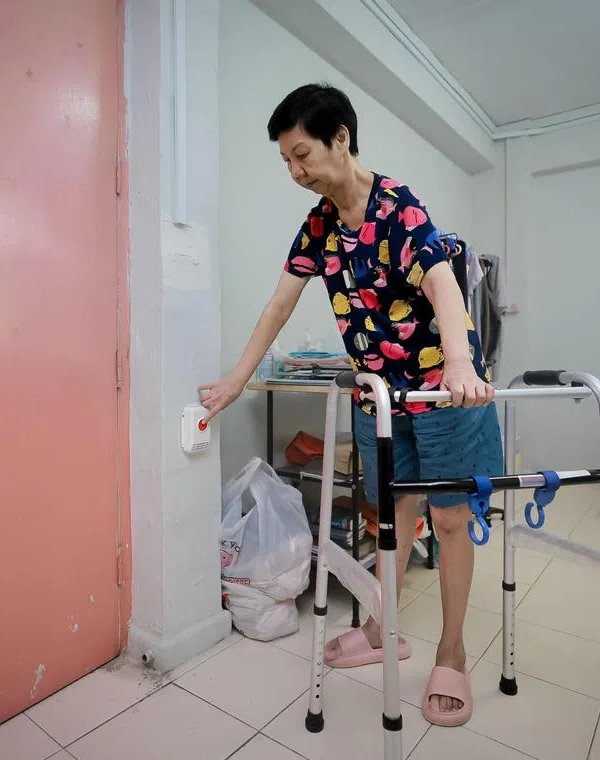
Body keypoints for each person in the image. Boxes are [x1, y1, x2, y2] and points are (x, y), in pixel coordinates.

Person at [199, 83, 503, 728]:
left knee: (449, 520)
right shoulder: (319, 225)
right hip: (382, 396)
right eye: (286, 161)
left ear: (341, 138)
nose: (295, 171)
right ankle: (381, 629)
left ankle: (452, 652)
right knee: (393, 515)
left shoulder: (397, 206)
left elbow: (443, 285)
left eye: (302, 154)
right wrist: (236, 380)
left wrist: (459, 364)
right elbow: (279, 305)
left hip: (440, 391)